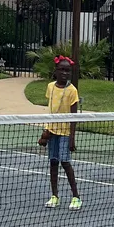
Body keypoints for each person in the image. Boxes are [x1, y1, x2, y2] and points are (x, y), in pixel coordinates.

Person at [40, 55, 82, 210]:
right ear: (56, 71)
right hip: (52, 132)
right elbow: (51, 109)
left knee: (65, 162)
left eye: (68, 71)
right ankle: (54, 196)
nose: (65, 73)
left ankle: (76, 197)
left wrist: (72, 138)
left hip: (65, 133)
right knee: (53, 162)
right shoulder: (50, 87)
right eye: (62, 70)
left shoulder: (72, 91)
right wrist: (46, 131)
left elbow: (73, 117)